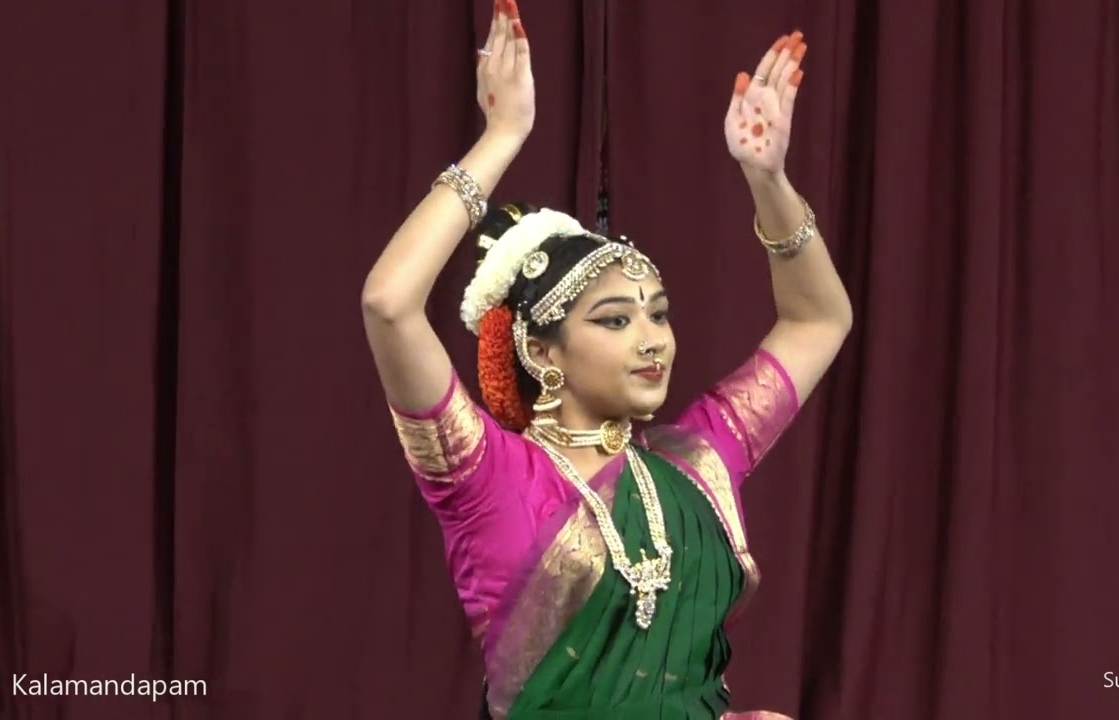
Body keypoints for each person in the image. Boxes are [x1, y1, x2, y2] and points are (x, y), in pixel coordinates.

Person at [360, 1, 852, 717]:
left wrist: (767, 180)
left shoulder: (697, 461)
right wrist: (501, 137)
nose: (653, 337)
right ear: (539, 347)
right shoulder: (485, 475)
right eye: (616, 320)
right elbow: (389, 303)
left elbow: (818, 318)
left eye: (659, 314)